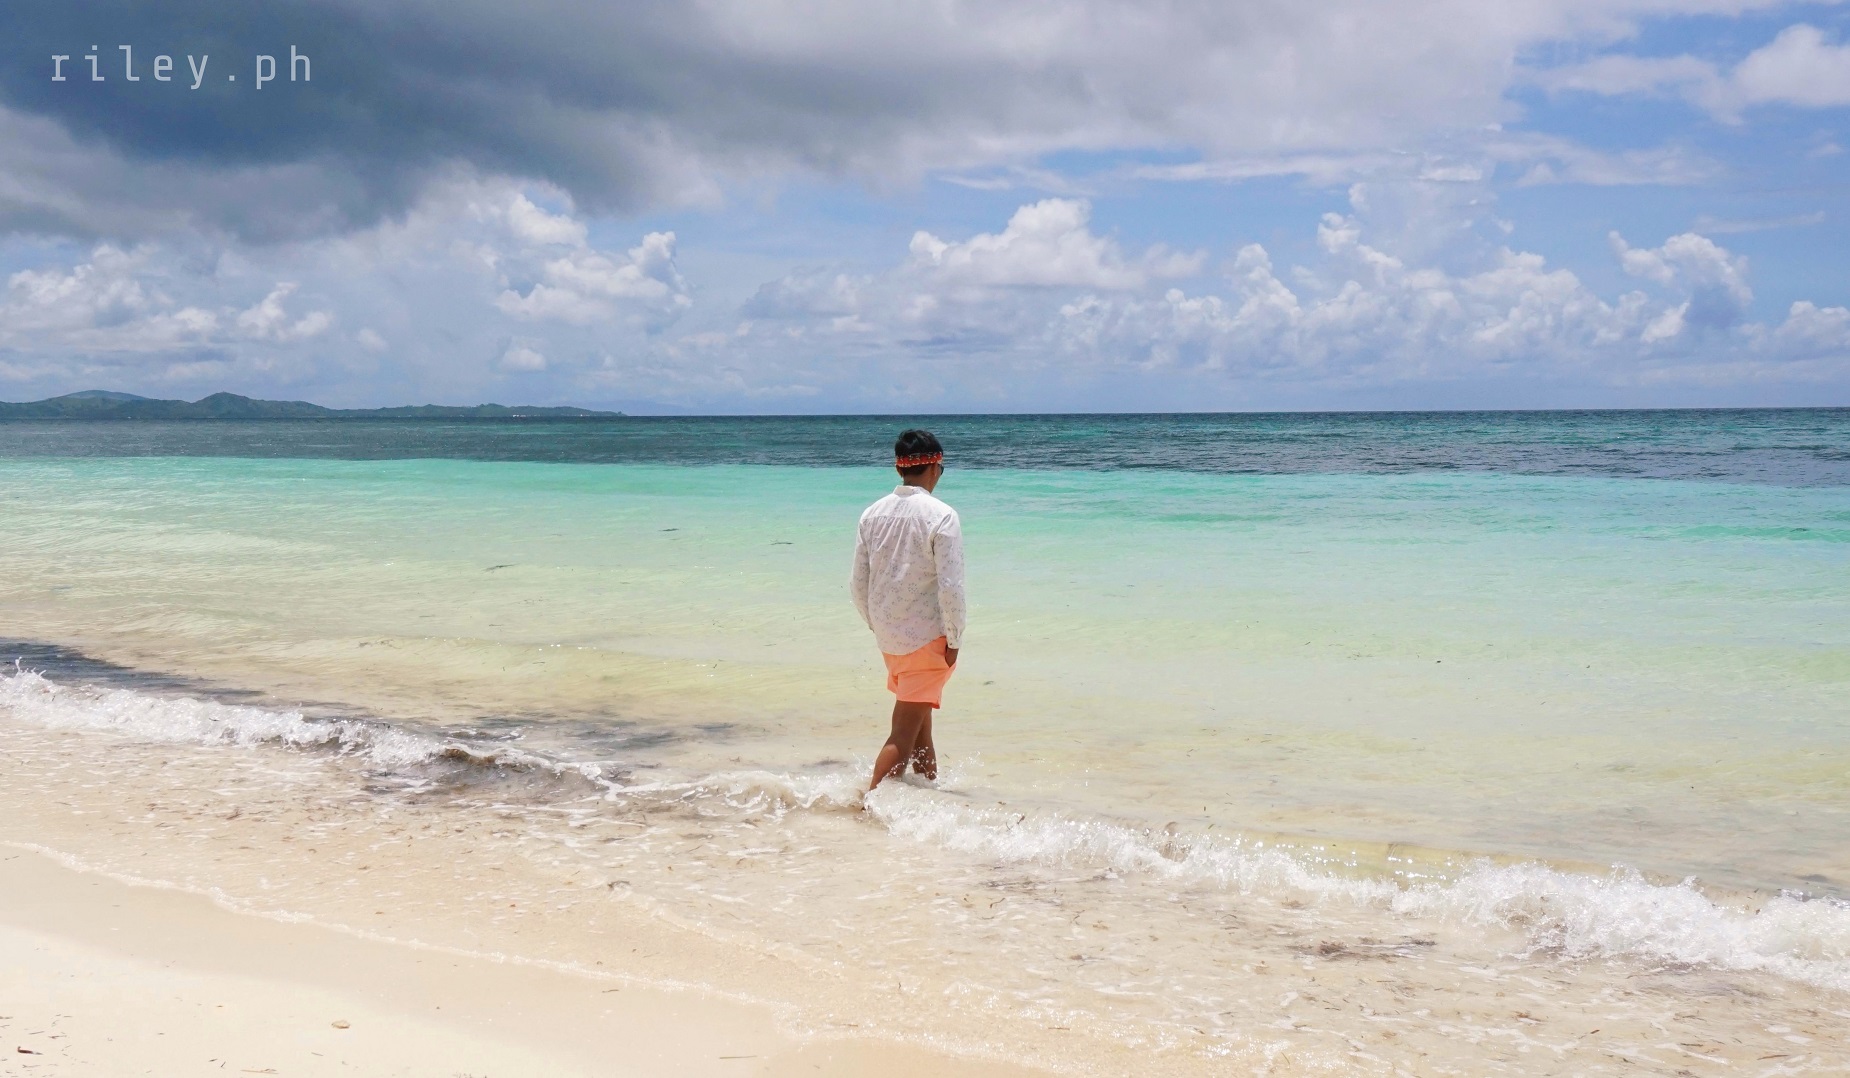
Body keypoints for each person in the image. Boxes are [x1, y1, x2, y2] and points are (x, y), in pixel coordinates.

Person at [851, 429, 966, 790]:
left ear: (899, 469)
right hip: (928, 639)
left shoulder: (871, 514)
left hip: (889, 639)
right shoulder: (942, 516)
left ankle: (926, 792)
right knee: (903, 732)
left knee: (919, 724)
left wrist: (878, 626)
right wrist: (955, 638)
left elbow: (858, 584)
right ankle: (871, 803)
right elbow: (951, 587)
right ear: (933, 468)